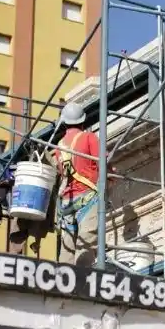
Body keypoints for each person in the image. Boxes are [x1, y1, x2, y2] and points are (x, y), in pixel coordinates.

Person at [52, 100, 115, 265]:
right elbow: (104, 163)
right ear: (83, 121)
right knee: (85, 243)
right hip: (88, 198)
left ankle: (64, 282)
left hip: (67, 203)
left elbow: (61, 173)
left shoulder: (59, 147)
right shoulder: (89, 137)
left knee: (67, 248)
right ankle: (83, 282)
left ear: (64, 122)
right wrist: (111, 178)